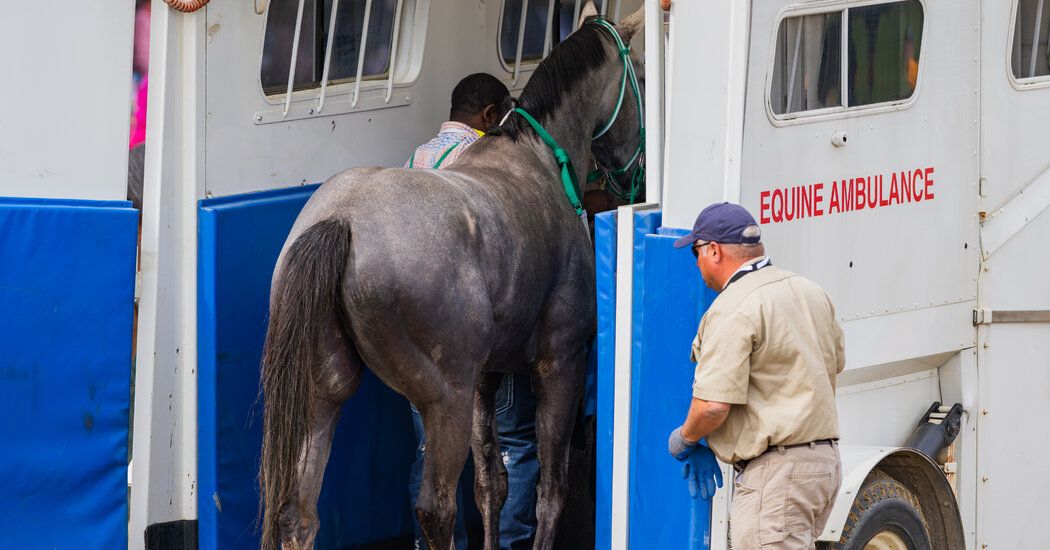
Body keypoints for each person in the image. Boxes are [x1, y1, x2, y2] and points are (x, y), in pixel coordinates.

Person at [405, 72, 540, 550]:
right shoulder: (492, 163)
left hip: (420, 341)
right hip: (486, 336)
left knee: (430, 451)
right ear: (489, 117)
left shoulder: (415, 161)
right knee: (515, 446)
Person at [666, 202, 845, 550]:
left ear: (714, 251)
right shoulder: (810, 291)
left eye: (695, 252)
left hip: (778, 475)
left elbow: (712, 406)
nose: (697, 263)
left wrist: (686, 440)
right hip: (822, 467)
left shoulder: (733, 307)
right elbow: (833, 364)